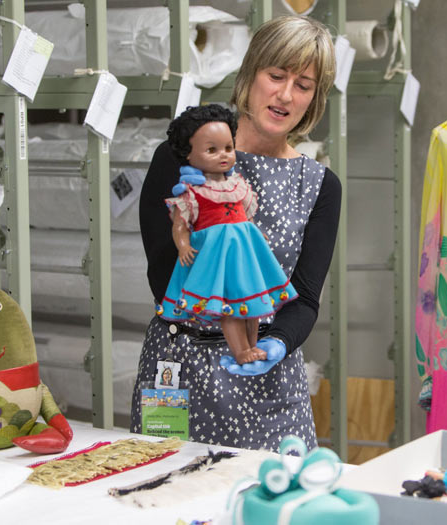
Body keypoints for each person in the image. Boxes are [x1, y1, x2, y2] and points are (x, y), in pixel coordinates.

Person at [132, 15, 339, 451]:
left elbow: (304, 297)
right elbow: (162, 275)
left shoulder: (320, 186)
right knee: (166, 504)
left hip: (269, 383)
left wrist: (277, 344)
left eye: (303, 85)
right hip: (178, 369)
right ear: (250, 75)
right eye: (276, 75)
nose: (285, 94)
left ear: (314, 101)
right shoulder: (179, 162)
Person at [160, 104, 298, 365]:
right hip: (216, 257)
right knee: (230, 307)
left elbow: (245, 218)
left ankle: (252, 344)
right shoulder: (192, 193)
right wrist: (183, 245)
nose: (223, 155)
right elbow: (180, 224)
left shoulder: (237, 185)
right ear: (188, 154)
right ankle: (241, 350)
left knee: (252, 304)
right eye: (211, 150)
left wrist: (257, 238)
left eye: (228, 147)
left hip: (244, 252)